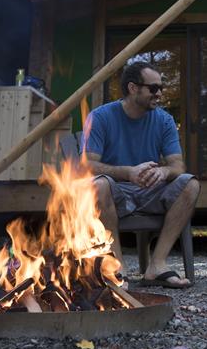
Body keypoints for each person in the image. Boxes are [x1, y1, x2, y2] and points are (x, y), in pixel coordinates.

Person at [83, 61, 200, 289]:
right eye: (153, 88)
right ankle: (117, 268)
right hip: (114, 192)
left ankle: (157, 265)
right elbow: (87, 166)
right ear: (132, 88)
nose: (159, 94)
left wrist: (163, 171)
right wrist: (128, 172)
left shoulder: (164, 120)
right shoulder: (101, 117)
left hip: (150, 191)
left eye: (161, 88)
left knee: (190, 184)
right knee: (99, 185)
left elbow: (178, 166)